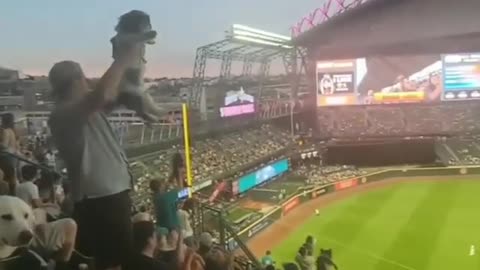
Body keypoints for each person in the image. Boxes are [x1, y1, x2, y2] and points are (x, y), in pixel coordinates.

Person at [48, 43, 141, 270]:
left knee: (111, 258)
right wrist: (122, 59)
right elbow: (101, 94)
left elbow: (115, 94)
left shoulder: (81, 110)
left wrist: (135, 64)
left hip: (106, 195)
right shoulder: (64, 113)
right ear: (75, 82)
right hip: (102, 198)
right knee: (115, 262)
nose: (87, 81)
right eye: (83, 77)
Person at [149, 179, 179, 253]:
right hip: (172, 229)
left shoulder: (155, 197)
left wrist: (166, 186)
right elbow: (182, 191)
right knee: (174, 249)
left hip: (162, 227)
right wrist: (179, 177)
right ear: (160, 187)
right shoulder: (166, 197)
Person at [0, 112, 19, 194]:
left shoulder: (6, 131)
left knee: (5, 178)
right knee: (12, 178)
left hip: (5, 157)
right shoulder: (12, 131)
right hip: (12, 157)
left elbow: (4, 145)